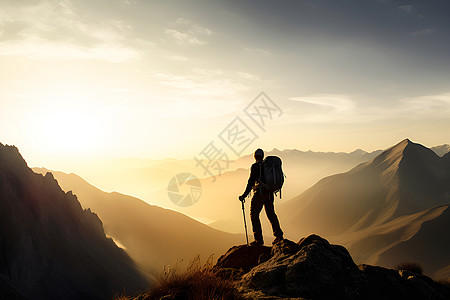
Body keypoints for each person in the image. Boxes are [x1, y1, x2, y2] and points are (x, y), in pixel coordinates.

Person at [239, 148, 284, 245]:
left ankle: (258, 240)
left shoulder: (255, 166)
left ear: (255, 156)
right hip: (269, 193)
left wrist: (244, 195)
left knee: (254, 215)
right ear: (263, 156)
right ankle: (279, 236)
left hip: (259, 193)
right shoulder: (267, 166)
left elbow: (251, 182)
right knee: (271, 214)